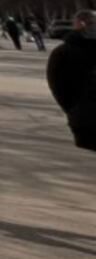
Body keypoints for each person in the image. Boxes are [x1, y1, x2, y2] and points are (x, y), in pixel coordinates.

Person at [46, 10, 96, 152]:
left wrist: (74, 110)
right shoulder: (65, 52)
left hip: (84, 116)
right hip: (86, 115)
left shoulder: (62, 52)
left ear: (79, 24)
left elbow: (58, 88)